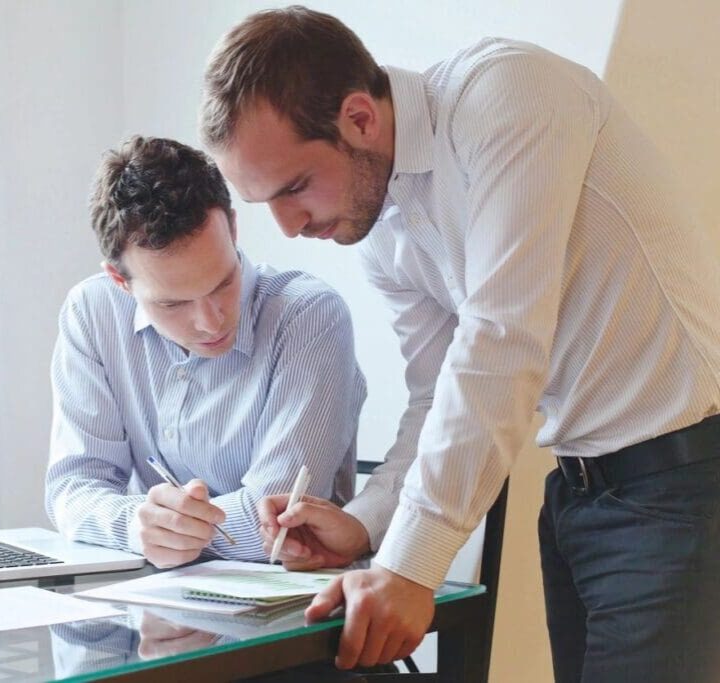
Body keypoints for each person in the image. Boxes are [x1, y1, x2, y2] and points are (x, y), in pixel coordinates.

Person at [200, 6, 720, 681]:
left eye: (295, 187)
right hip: (576, 494)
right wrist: (365, 526)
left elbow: (502, 337)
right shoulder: (382, 229)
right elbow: (436, 394)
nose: (291, 225)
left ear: (361, 118)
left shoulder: (510, 94)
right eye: (266, 201)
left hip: (677, 485)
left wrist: (410, 565)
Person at [44, 135, 366, 569]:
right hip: (154, 603)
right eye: (172, 303)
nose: (210, 322)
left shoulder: (307, 315)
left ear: (232, 229)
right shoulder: (93, 311)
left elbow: (277, 528)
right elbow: (72, 487)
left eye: (222, 283)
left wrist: (167, 531)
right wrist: (136, 525)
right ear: (120, 281)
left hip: (290, 606)